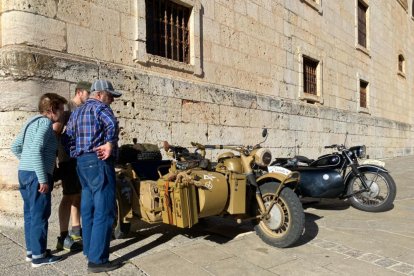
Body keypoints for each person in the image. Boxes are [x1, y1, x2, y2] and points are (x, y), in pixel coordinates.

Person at [66, 80, 122, 273]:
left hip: (82, 163)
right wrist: (110, 144)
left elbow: (68, 137)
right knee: (104, 210)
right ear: (99, 95)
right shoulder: (100, 107)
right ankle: (98, 260)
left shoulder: (77, 111)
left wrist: (76, 153)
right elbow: (112, 124)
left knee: (88, 208)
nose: (112, 100)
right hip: (99, 161)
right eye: (110, 96)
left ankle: (90, 251)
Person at [11, 93, 67, 268]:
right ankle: (38, 256)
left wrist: (26, 161)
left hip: (24, 173)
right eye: (61, 110)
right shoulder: (44, 123)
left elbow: (15, 146)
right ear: (52, 110)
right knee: (40, 215)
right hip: (37, 175)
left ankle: (32, 251)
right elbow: (35, 150)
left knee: (30, 214)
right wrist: (42, 178)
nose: (63, 114)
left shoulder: (30, 121)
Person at [54, 81, 91, 252]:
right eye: (88, 93)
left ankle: (76, 230)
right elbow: (56, 131)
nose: (90, 97)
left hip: (79, 158)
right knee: (68, 195)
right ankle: (62, 236)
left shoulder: (84, 109)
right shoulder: (68, 107)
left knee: (78, 195)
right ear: (79, 92)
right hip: (67, 159)